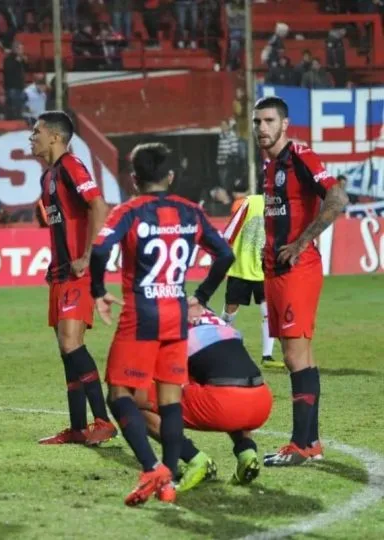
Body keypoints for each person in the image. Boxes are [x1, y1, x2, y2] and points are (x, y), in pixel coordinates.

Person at [89, 142, 234, 505]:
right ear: (171, 176)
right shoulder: (191, 212)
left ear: (134, 179)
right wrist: (201, 296)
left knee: (119, 395)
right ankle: (168, 481)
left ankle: (152, 467)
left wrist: (97, 291)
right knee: (170, 402)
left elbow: (101, 249)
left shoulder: (130, 210)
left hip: (141, 315)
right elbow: (225, 254)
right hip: (176, 314)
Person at [252, 96, 348, 466]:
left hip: (298, 269)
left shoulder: (300, 155)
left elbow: (337, 197)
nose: (262, 128)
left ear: (285, 124)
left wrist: (302, 241)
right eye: (257, 122)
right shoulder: (271, 164)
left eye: (269, 121)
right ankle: (311, 443)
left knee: (294, 356)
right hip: (275, 271)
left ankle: (300, 444)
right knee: (301, 357)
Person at [30, 111, 117, 447]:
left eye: (36, 131)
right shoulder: (48, 176)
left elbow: (99, 207)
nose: (31, 137)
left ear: (55, 136)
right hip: (60, 274)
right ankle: (78, 427)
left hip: (77, 273)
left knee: (71, 344)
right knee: (66, 350)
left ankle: (102, 421)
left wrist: (86, 257)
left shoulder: (71, 165)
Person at [138, 305, 273, 492]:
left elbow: (173, 384)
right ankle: (246, 452)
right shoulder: (219, 323)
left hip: (225, 403)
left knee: (133, 401)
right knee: (223, 384)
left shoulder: (169, 327)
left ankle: (195, 459)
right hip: (262, 400)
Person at [221, 193, 277, 366]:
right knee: (231, 310)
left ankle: (267, 356)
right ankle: (221, 345)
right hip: (242, 267)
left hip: (264, 268)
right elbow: (230, 230)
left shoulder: (281, 206)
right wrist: (222, 252)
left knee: (268, 311)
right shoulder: (251, 201)